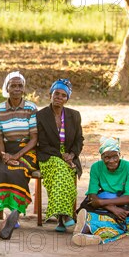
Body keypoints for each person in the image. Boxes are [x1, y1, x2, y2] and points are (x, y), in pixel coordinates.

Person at [72, 137, 129, 246]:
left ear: (119, 154)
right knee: (88, 204)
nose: (111, 161)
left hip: (123, 201)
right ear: (101, 157)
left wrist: (101, 203)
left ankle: (87, 230)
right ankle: (88, 231)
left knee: (120, 218)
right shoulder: (96, 167)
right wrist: (111, 207)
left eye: (115, 156)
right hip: (104, 199)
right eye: (107, 157)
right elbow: (92, 194)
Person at [36, 79, 84, 232]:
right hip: (48, 155)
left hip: (69, 156)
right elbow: (42, 144)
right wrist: (62, 156)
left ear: (67, 99)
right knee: (61, 169)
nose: (59, 97)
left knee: (66, 171)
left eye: (63, 95)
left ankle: (61, 219)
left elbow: (79, 139)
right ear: (50, 94)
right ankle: (66, 215)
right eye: (56, 93)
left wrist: (72, 154)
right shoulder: (41, 115)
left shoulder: (74, 115)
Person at [0, 71, 38, 224]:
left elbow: (34, 139)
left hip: (27, 150)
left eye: (20, 86)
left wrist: (16, 156)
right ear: (7, 88)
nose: (17, 89)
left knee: (18, 171)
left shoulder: (31, 107)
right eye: (13, 86)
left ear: (24, 89)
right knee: (1, 172)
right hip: (6, 149)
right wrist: (4, 154)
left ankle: (14, 214)